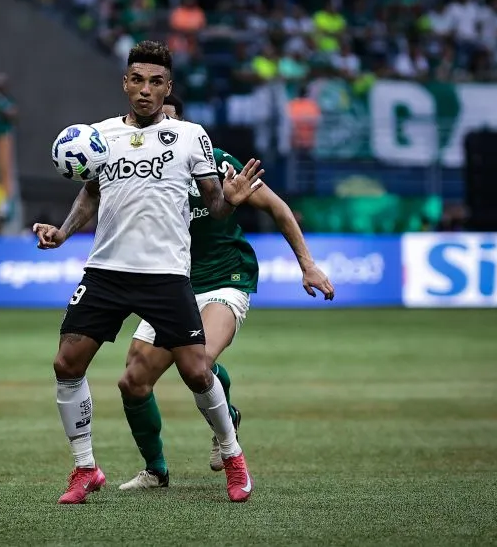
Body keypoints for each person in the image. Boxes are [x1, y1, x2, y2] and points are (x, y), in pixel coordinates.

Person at [32, 40, 264, 505]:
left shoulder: (191, 136)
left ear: (168, 88)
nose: (145, 90)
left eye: (155, 82)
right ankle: (85, 469)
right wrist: (63, 231)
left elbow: (215, 207)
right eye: (137, 79)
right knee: (66, 364)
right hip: (107, 271)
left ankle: (234, 457)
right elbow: (91, 195)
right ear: (125, 82)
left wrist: (230, 199)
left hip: (165, 274)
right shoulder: (98, 136)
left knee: (198, 372)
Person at [117, 94, 335, 491]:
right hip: (172, 283)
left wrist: (308, 264)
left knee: (197, 361)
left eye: (169, 121)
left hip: (224, 276)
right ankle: (156, 469)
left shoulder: (216, 162)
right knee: (132, 380)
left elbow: (278, 208)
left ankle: (227, 433)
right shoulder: (137, 169)